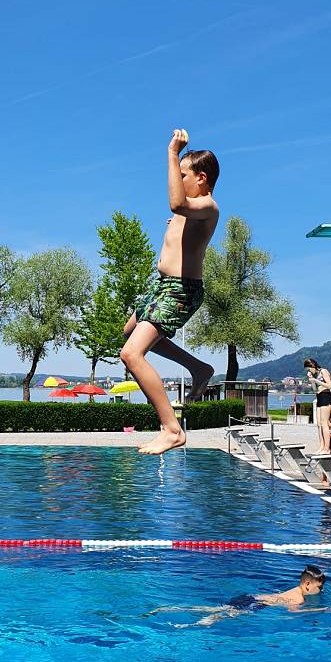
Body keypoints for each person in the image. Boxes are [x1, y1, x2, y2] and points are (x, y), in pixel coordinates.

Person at [120, 129, 220, 455]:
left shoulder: (208, 206)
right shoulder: (187, 211)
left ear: (201, 178)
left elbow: (177, 201)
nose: (178, 179)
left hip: (180, 290)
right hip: (161, 286)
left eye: (183, 174)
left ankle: (171, 429)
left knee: (131, 354)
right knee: (129, 331)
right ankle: (199, 368)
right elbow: (178, 208)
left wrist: (172, 152)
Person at [151, 566, 327, 626]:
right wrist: (319, 610)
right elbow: (292, 611)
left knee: (213, 609)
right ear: (307, 584)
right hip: (258, 604)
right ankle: (191, 626)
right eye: (320, 587)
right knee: (222, 616)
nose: (321, 590)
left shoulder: (293, 590)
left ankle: (170, 608)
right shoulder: (299, 598)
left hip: (252, 597)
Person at [304, 357, 331, 451]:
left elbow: (330, 385)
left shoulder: (323, 371)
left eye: (309, 369)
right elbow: (314, 389)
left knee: (324, 423)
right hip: (319, 396)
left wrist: (316, 380)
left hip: (326, 396)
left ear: (313, 365)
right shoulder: (314, 375)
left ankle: (326, 448)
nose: (309, 371)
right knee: (319, 424)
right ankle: (321, 446)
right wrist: (311, 379)